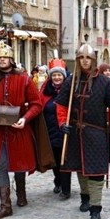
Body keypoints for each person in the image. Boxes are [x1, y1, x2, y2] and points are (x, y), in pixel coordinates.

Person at [0, 41, 54, 219]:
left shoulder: (24, 79)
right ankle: (5, 205)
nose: (1, 61)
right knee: (0, 165)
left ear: (11, 59)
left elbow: (36, 104)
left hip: (18, 130)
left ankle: (21, 192)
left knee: (19, 164)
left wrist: (25, 119)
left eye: (5, 57)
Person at [55, 43, 110, 219]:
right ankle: (85, 197)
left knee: (95, 171)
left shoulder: (104, 83)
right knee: (80, 168)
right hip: (75, 132)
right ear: (77, 60)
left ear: (93, 60)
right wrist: (63, 123)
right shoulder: (71, 81)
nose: (85, 61)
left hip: (96, 133)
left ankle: (96, 207)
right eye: (81, 58)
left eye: (88, 58)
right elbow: (61, 106)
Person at [40, 59, 71, 199]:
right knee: (55, 161)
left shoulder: (69, 91)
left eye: (59, 75)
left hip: (65, 130)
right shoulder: (45, 91)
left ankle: (66, 188)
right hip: (50, 130)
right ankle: (57, 181)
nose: (57, 78)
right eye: (54, 75)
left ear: (64, 76)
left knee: (65, 160)